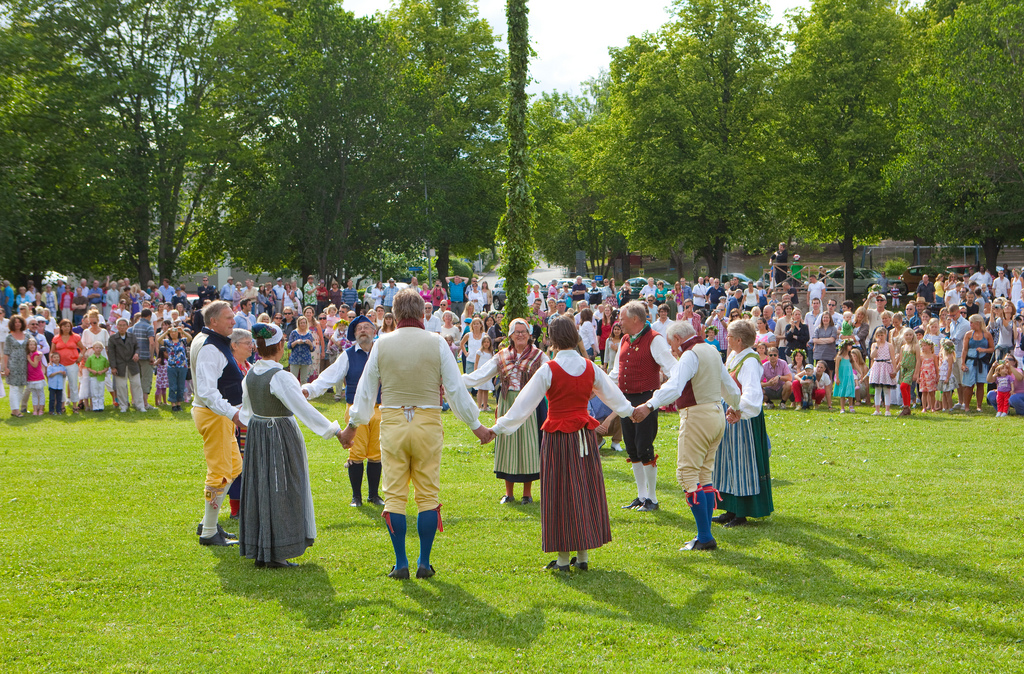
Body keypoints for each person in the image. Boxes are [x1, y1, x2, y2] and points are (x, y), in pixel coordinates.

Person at [341, 289, 491, 580]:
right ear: (423, 312)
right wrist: (476, 425)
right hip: (427, 421)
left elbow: (366, 389)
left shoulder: (382, 344)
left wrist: (353, 426)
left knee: (395, 496)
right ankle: (424, 560)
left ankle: (401, 563)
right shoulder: (436, 343)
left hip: (394, 420)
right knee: (427, 495)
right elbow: (455, 388)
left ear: (394, 315)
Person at [489, 317, 633, 570]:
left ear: (553, 339)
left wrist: (497, 428)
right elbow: (615, 397)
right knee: (584, 492)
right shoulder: (590, 367)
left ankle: (564, 559)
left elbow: (523, 405)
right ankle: (584, 556)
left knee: (560, 494)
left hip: (558, 438)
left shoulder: (549, 369)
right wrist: (633, 411)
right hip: (585, 438)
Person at [237, 323, 343, 568]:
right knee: (283, 487)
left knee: (262, 487)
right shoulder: (280, 376)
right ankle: (278, 550)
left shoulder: (251, 373)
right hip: (279, 435)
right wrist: (335, 430)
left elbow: (246, 412)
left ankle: (262, 545)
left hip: (257, 432)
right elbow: (303, 410)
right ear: (281, 346)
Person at [633, 320, 739, 551]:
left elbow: (674, 387)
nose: (673, 350)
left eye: (672, 345)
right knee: (704, 474)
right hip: (716, 414)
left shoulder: (690, 355)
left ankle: (704, 536)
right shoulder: (711, 351)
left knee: (688, 475)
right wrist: (737, 406)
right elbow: (729, 385)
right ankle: (705, 534)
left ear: (679, 339)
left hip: (697, 416)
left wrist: (649, 405)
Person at [463, 318, 548, 505]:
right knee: (507, 445)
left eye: (523, 332)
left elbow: (553, 375)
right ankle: (508, 493)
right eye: (516, 332)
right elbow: (481, 374)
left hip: (529, 404)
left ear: (529, 335)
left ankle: (527, 494)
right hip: (506, 401)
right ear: (510, 335)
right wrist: (459, 381)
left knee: (528, 446)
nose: (520, 335)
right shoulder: (501, 356)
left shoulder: (539, 356)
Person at [303, 315, 384, 508]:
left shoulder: (382, 353)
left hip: (381, 410)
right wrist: (310, 389)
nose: (363, 330)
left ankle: (374, 495)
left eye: (367, 327)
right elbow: (328, 377)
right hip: (355, 410)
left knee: (376, 454)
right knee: (356, 453)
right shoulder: (348, 355)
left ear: (374, 332)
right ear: (354, 334)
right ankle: (356, 497)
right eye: (359, 328)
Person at [608, 301, 677, 512]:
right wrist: (598, 386)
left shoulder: (655, 339)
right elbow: (615, 373)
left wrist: (656, 398)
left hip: (646, 398)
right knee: (632, 448)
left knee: (645, 447)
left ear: (635, 319)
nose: (619, 322)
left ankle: (652, 499)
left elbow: (674, 371)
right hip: (626, 400)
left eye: (622, 318)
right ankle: (641, 496)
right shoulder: (625, 339)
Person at [190, 300, 245, 547]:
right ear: (213, 321)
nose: (234, 321)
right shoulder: (210, 347)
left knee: (233, 467)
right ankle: (209, 531)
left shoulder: (207, 340)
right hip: (214, 415)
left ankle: (208, 523)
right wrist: (232, 413)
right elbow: (208, 391)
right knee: (220, 473)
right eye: (228, 317)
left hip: (217, 414)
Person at [711, 319, 774, 528]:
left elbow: (753, 393)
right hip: (729, 414)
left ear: (739, 340)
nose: (726, 339)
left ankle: (742, 511)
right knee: (727, 461)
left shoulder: (749, 361)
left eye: (728, 336)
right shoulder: (734, 356)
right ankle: (730, 508)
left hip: (743, 419)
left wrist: (739, 409)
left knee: (741, 463)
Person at [109, 316, 146, 413]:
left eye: (123, 325)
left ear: (127, 326)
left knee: (137, 384)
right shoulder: (113, 338)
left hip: (132, 364)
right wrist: (113, 367)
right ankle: (123, 405)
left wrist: (137, 354)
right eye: (120, 325)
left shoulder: (132, 336)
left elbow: (137, 347)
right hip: (119, 365)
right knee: (121, 386)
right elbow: (111, 354)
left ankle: (140, 405)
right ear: (117, 327)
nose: (122, 327)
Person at [960, 314, 994, 412]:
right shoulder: (968, 334)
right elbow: (964, 350)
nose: (970, 324)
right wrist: (963, 363)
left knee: (980, 384)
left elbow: (992, 349)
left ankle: (979, 406)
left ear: (977, 323)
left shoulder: (987, 334)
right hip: (970, 361)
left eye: (971, 322)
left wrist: (984, 350)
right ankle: (966, 406)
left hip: (982, 362)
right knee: (969, 385)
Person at [869, 327, 899, 416]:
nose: (880, 337)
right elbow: (872, 356)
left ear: (885, 335)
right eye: (878, 335)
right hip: (877, 366)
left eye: (882, 335)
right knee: (877, 389)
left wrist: (894, 369)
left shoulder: (889, 345)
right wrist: (877, 346)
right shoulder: (874, 345)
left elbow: (893, 358)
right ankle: (877, 409)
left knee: (886, 389)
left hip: (886, 366)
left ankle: (887, 410)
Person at [83, 342, 109, 411]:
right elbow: (88, 367)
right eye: (96, 348)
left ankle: (101, 406)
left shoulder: (103, 359)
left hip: (101, 377)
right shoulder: (91, 358)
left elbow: (106, 367)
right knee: (94, 391)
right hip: (93, 377)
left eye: (100, 348)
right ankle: (95, 407)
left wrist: (102, 371)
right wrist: (92, 371)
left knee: (101, 391)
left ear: (102, 349)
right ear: (93, 349)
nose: (98, 349)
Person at [834, 338, 856, 413]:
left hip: (849, 376)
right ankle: (842, 407)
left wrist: (861, 372)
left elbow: (855, 364)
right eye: (849, 345)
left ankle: (851, 405)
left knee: (850, 391)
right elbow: (836, 368)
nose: (850, 347)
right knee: (842, 392)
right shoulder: (839, 357)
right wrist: (837, 378)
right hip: (842, 376)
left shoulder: (850, 357)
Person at [474, 335, 494, 411]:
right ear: (482, 343)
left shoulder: (491, 352)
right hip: (480, 372)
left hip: (487, 372)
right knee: (480, 389)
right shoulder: (479, 352)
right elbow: (476, 362)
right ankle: (479, 406)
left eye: (487, 342)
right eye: (485, 342)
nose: (486, 343)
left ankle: (485, 406)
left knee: (486, 389)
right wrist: (475, 371)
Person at [918, 339, 939, 412]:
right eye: (922, 345)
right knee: (924, 392)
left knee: (931, 392)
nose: (923, 347)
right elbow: (919, 366)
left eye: (925, 345)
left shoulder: (933, 356)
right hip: (923, 376)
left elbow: (936, 366)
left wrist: (937, 376)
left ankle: (932, 407)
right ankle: (924, 407)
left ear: (930, 346)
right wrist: (918, 376)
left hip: (931, 376)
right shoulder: (921, 356)